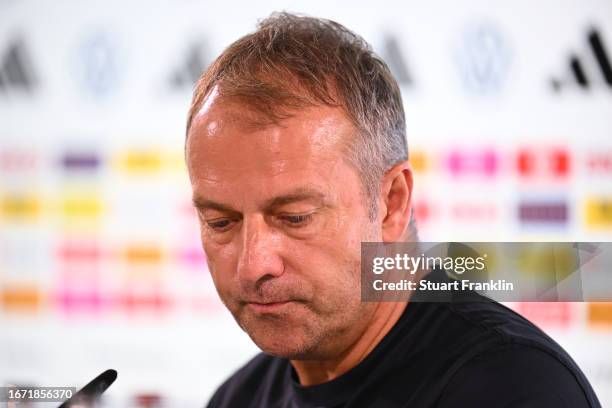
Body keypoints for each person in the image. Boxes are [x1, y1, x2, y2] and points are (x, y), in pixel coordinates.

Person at [184, 12, 601, 408]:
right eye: (220, 222)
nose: (252, 265)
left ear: (392, 202)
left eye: (295, 217)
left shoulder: (513, 388)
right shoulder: (238, 397)